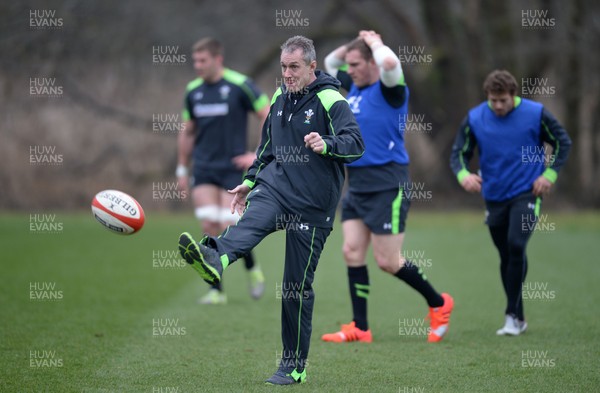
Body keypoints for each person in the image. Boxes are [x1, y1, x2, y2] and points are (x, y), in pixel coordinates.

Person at [178, 35, 364, 385]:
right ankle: (216, 257)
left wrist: (328, 144)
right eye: (283, 67)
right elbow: (266, 147)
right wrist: (249, 182)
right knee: (251, 221)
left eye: (294, 67)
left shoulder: (330, 98)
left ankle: (293, 365)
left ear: (312, 66)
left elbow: (356, 144)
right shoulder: (280, 96)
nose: (287, 74)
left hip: (313, 205)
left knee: (294, 287)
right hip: (276, 188)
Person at [321, 30, 454, 344]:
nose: (348, 69)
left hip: (388, 183)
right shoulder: (352, 87)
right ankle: (361, 328)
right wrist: (357, 43)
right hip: (356, 184)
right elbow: (330, 60)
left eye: (356, 64)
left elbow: (391, 62)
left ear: (373, 64)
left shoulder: (391, 89)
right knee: (352, 251)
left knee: (388, 261)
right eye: (350, 64)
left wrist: (376, 44)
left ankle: (439, 303)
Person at [450, 69, 571, 335]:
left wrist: (549, 174)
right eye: (493, 100)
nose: (498, 106)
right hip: (494, 196)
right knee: (506, 254)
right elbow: (459, 152)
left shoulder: (535, 114)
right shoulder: (475, 118)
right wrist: (463, 175)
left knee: (516, 244)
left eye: (503, 100)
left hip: (527, 193)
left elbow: (563, 142)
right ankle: (519, 317)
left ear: (513, 95)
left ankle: (511, 314)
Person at [177, 37, 269, 304]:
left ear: (218, 60)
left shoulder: (240, 85)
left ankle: (253, 270)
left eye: (202, 61)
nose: (198, 66)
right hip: (204, 167)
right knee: (209, 225)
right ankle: (216, 290)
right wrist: (182, 168)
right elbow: (188, 131)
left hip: (233, 167)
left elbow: (269, 113)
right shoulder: (192, 90)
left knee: (231, 226)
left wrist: (256, 153)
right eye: (195, 61)